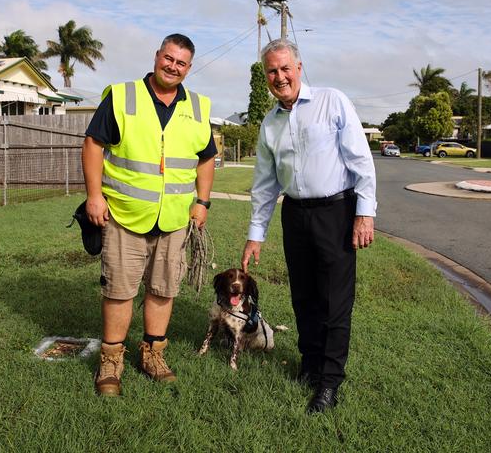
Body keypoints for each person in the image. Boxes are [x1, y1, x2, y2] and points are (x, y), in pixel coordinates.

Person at [241, 39, 376, 413]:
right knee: (304, 298)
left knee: (334, 302)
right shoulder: (270, 123)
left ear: (299, 67)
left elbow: (361, 161)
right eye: (272, 71)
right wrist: (256, 235)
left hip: (336, 212)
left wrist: (364, 214)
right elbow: (266, 184)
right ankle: (311, 364)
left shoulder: (332, 101)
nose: (279, 76)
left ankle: (329, 383)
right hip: (295, 215)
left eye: (285, 68)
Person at [82, 33, 216, 397]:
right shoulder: (123, 97)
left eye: (181, 63)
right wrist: (95, 195)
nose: (173, 67)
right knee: (120, 290)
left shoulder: (199, 107)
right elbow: (94, 144)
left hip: (174, 219)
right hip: (125, 214)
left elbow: (206, 158)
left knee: (163, 288)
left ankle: (153, 355)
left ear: (189, 68)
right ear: (157, 56)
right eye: (168, 58)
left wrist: (201, 202)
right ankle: (111, 361)